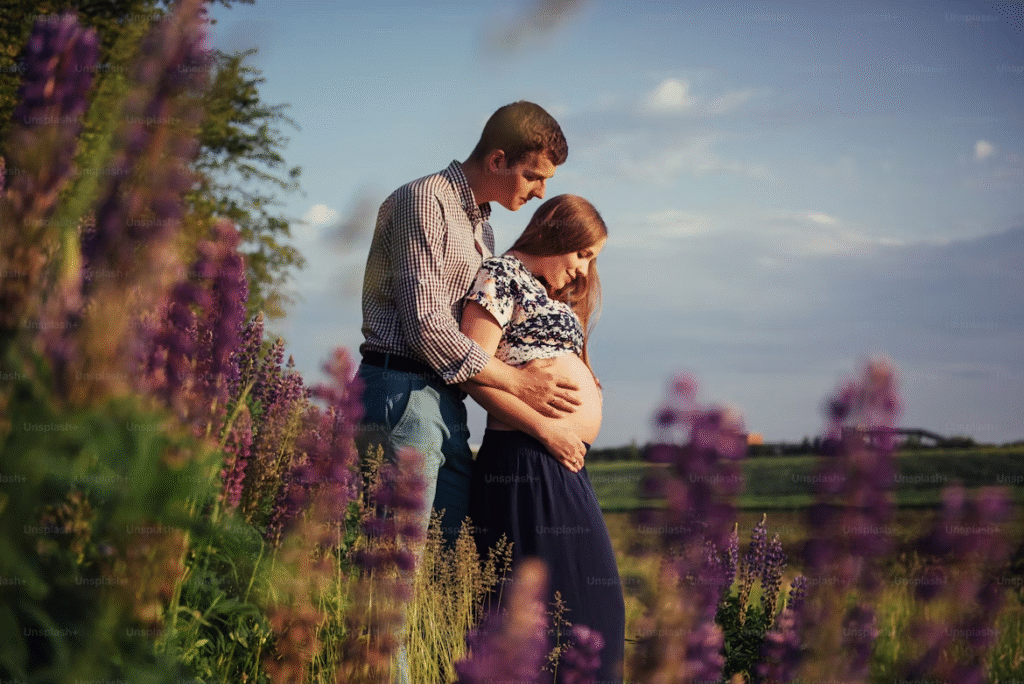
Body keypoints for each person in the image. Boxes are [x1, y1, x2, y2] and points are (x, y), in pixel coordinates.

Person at [357, 100, 584, 544]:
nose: (540, 192)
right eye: (533, 176)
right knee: (395, 561)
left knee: (448, 560)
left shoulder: (483, 228)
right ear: (497, 160)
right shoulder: (424, 201)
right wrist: (520, 383)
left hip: (446, 399)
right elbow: (426, 327)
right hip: (402, 391)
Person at [461, 194, 625, 684]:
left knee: (595, 609)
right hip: (525, 460)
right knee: (555, 613)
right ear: (557, 233)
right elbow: (470, 369)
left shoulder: (549, 295)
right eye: (582, 254)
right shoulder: (500, 275)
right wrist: (547, 429)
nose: (583, 270)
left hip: (560, 462)